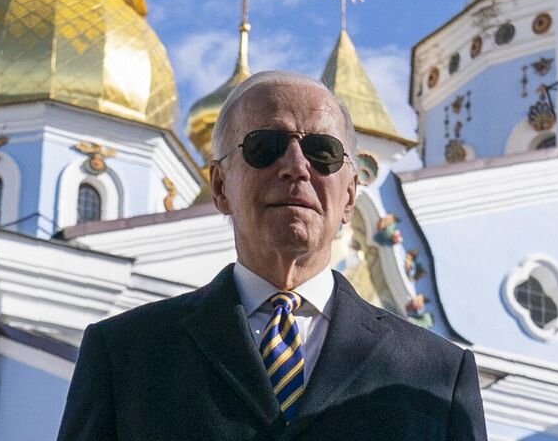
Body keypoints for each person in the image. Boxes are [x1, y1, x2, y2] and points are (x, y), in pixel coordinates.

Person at [58, 71, 486, 440]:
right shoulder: (126, 354)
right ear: (221, 187)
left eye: (323, 151)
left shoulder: (438, 375)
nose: (297, 165)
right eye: (265, 146)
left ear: (351, 194)